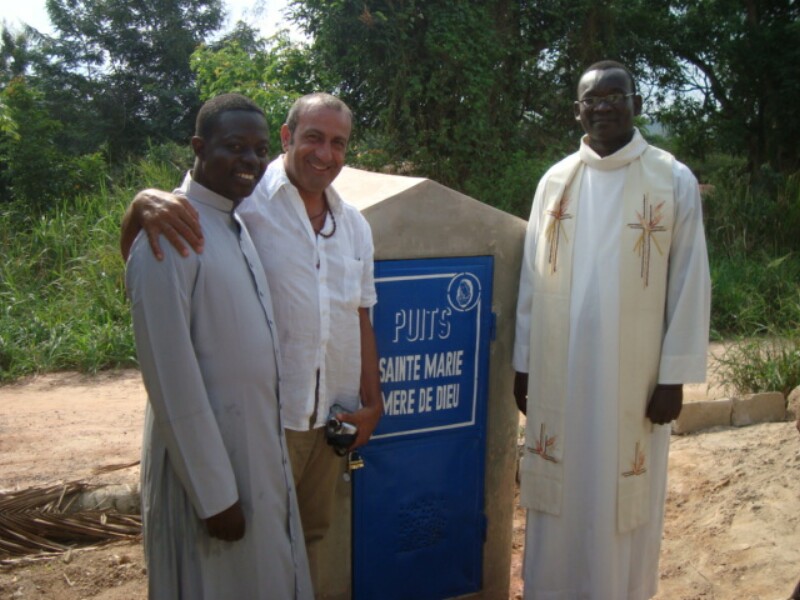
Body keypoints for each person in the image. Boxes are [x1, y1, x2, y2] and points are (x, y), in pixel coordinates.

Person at [121, 92, 382, 594]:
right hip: (263, 425)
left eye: (338, 143)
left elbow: (360, 315)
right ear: (287, 138)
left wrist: (372, 403)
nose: (325, 153)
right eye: (313, 137)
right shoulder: (245, 204)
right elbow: (155, 268)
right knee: (238, 560)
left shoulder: (352, 225)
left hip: (328, 421)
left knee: (305, 544)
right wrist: (139, 205)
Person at [512, 60, 711, 599]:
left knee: (622, 499)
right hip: (561, 373)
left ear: (636, 103)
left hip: (636, 381)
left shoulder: (671, 179)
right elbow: (532, 278)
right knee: (562, 491)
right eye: (592, 100)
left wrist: (673, 377)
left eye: (614, 97)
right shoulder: (555, 181)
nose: (603, 108)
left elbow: (690, 280)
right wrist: (524, 364)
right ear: (577, 110)